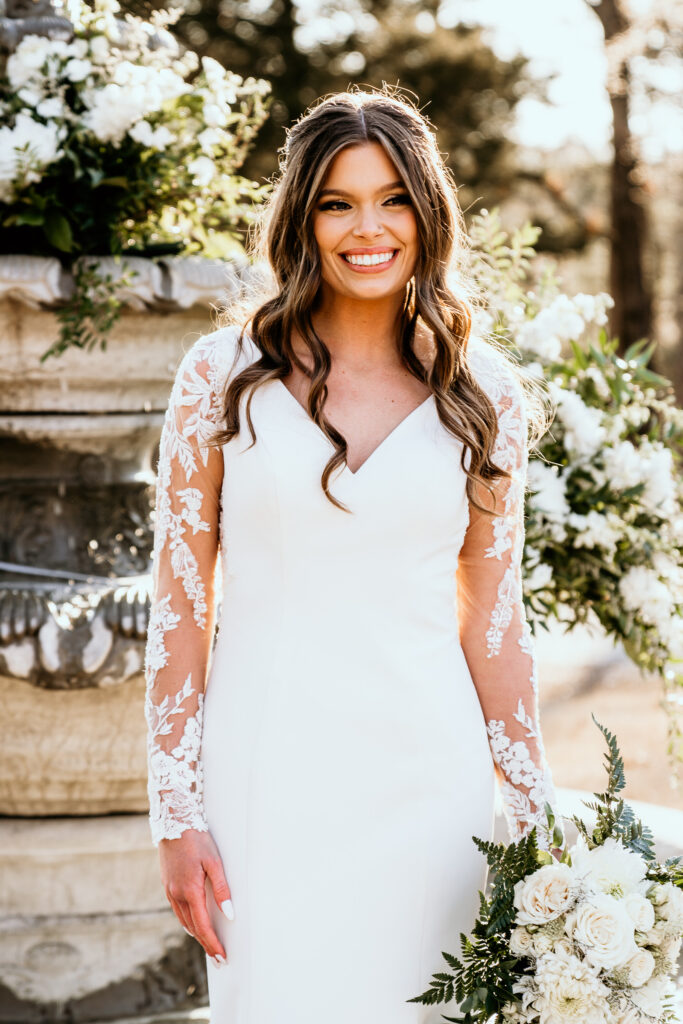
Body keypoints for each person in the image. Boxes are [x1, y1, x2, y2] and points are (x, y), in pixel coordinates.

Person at [144, 86, 562, 1023]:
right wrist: (175, 811)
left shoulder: (482, 390)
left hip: (429, 782)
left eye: (392, 199)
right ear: (303, 218)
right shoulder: (219, 375)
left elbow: (494, 624)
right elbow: (179, 606)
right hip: (266, 774)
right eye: (337, 202)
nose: (366, 228)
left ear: (428, 212)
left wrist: (535, 817)